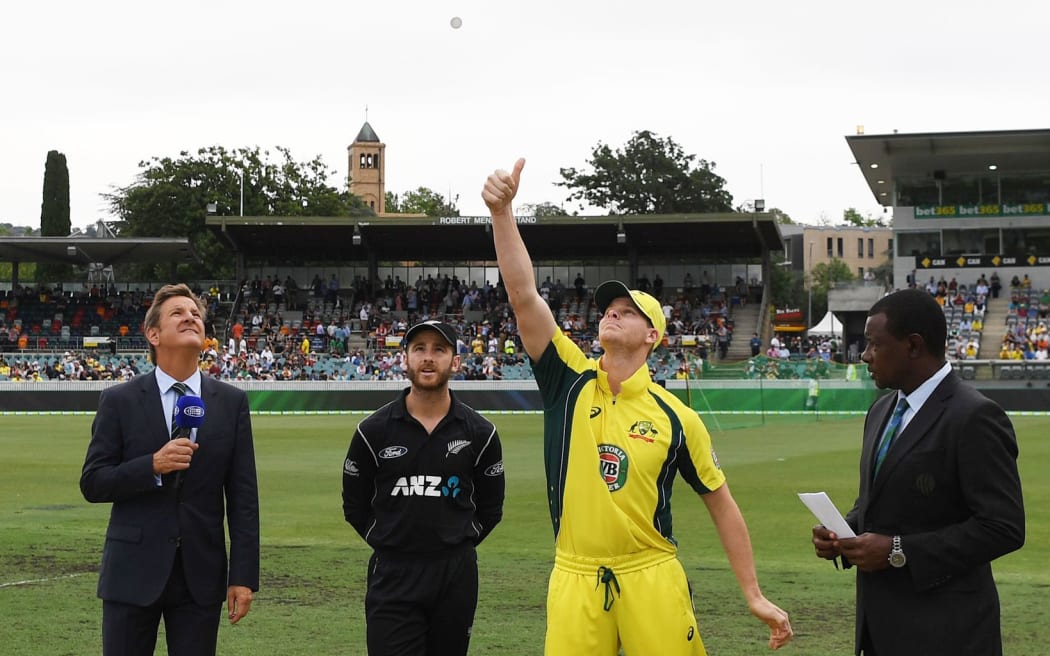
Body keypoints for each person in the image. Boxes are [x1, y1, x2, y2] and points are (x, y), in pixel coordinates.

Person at [483, 159, 791, 655]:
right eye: (609, 308)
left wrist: (752, 593)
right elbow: (524, 297)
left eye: (627, 311)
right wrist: (502, 213)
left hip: (651, 575)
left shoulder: (677, 417)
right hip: (575, 575)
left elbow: (722, 504)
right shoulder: (568, 377)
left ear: (652, 336)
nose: (612, 313)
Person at [811, 288, 1024, 656]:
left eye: (874, 345)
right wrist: (845, 534)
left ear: (913, 346)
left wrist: (899, 551)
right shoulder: (880, 411)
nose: (864, 356)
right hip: (878, 631)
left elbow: (1003, 527)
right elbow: (878, 500)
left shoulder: (974, 417)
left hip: (948, 635)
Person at [80, 283, 260, 656]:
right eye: (178, 313)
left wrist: (243, 577)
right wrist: (152, 466)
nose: (191, 317)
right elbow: (93, 482)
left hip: (201, 575)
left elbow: (244, 499)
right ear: (153, 334)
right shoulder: (119, 401)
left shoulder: (231, 403)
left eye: (195, 314)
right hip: (131, 573)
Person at [342, 320, 505, 656]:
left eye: (439, 350)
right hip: (393, 573)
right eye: (419, 349)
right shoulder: (371, 431)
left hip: (455, 575)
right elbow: (354, 506)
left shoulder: (481, 432)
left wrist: (454, 541)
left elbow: (491, 509)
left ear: (456, 362)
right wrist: (390, 540)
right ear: (405, 359)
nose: (428, 358)